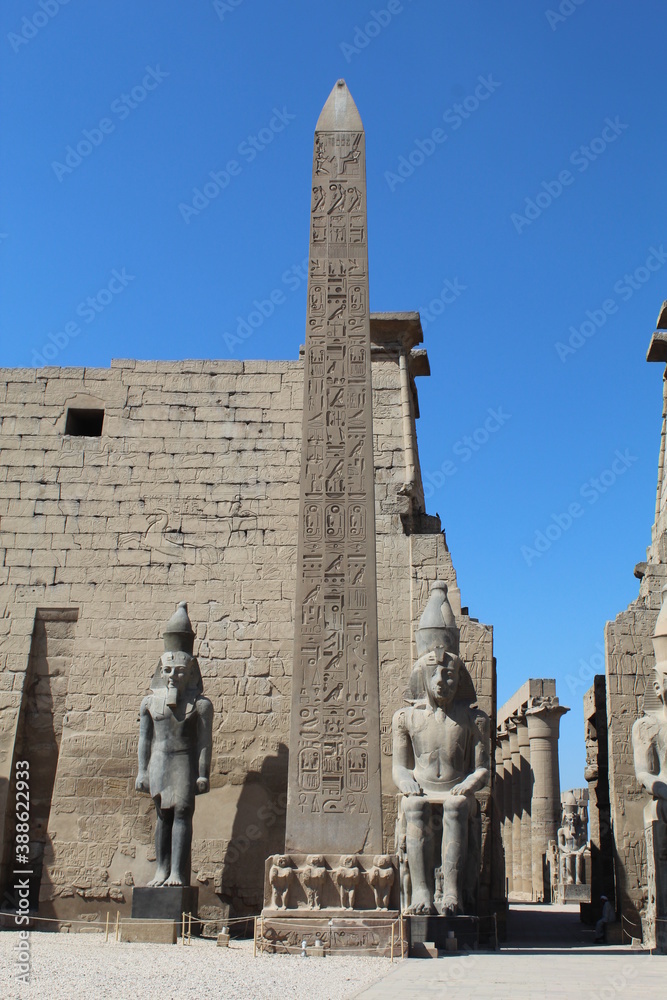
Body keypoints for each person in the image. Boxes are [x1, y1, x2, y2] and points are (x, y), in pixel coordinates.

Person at [392, 581, 490, 915]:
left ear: (459, 677)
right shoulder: (405, 718)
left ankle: (451, 893)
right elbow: (399, 767)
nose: (441, 681)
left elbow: (482, 769)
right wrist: (405, 781)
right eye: (434, 673)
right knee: (414, 808)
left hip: (454, 789)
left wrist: (468, 783)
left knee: (455, 807)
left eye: (448, 674)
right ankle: (421, 892)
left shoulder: (473, 719)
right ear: (420, 674)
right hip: (422, 786)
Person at [135, 602, 213, 887]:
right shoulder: (149, 703)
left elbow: (205, 743)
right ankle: (161, 870)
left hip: (183, 759)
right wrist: (141, 771)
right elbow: (145, 738)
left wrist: (203, 773)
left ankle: (178, 873)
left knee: (181, 812)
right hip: (159, 758)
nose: (172, 676)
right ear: (160, 669)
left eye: (179, 671)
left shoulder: (200, 705)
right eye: (167, 670)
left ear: (191, 673)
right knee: (162, 815)